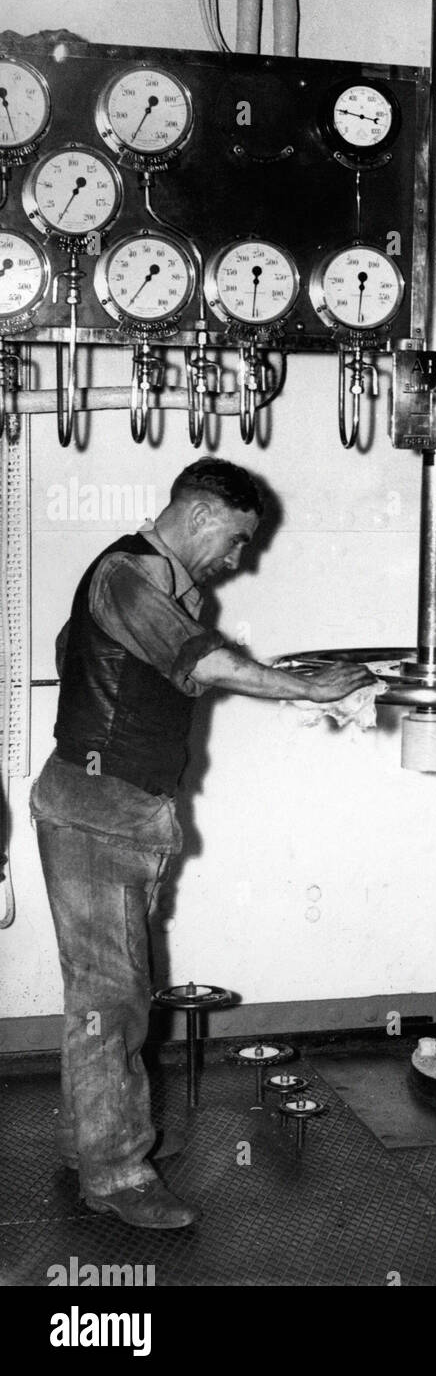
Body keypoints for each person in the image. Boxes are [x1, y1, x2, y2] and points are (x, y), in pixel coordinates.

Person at [30, 457, 375, 1230]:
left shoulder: (152, 585)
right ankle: (117, 1177)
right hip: (97, 812)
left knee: (104, 997)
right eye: (238, 540)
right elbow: (204, 662)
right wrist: (309, 687)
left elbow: (120, 659)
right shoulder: (128, 577)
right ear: (201, 514)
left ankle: (91, 1140)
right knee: (110, 1003)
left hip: (118, 810)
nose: (238, 559)